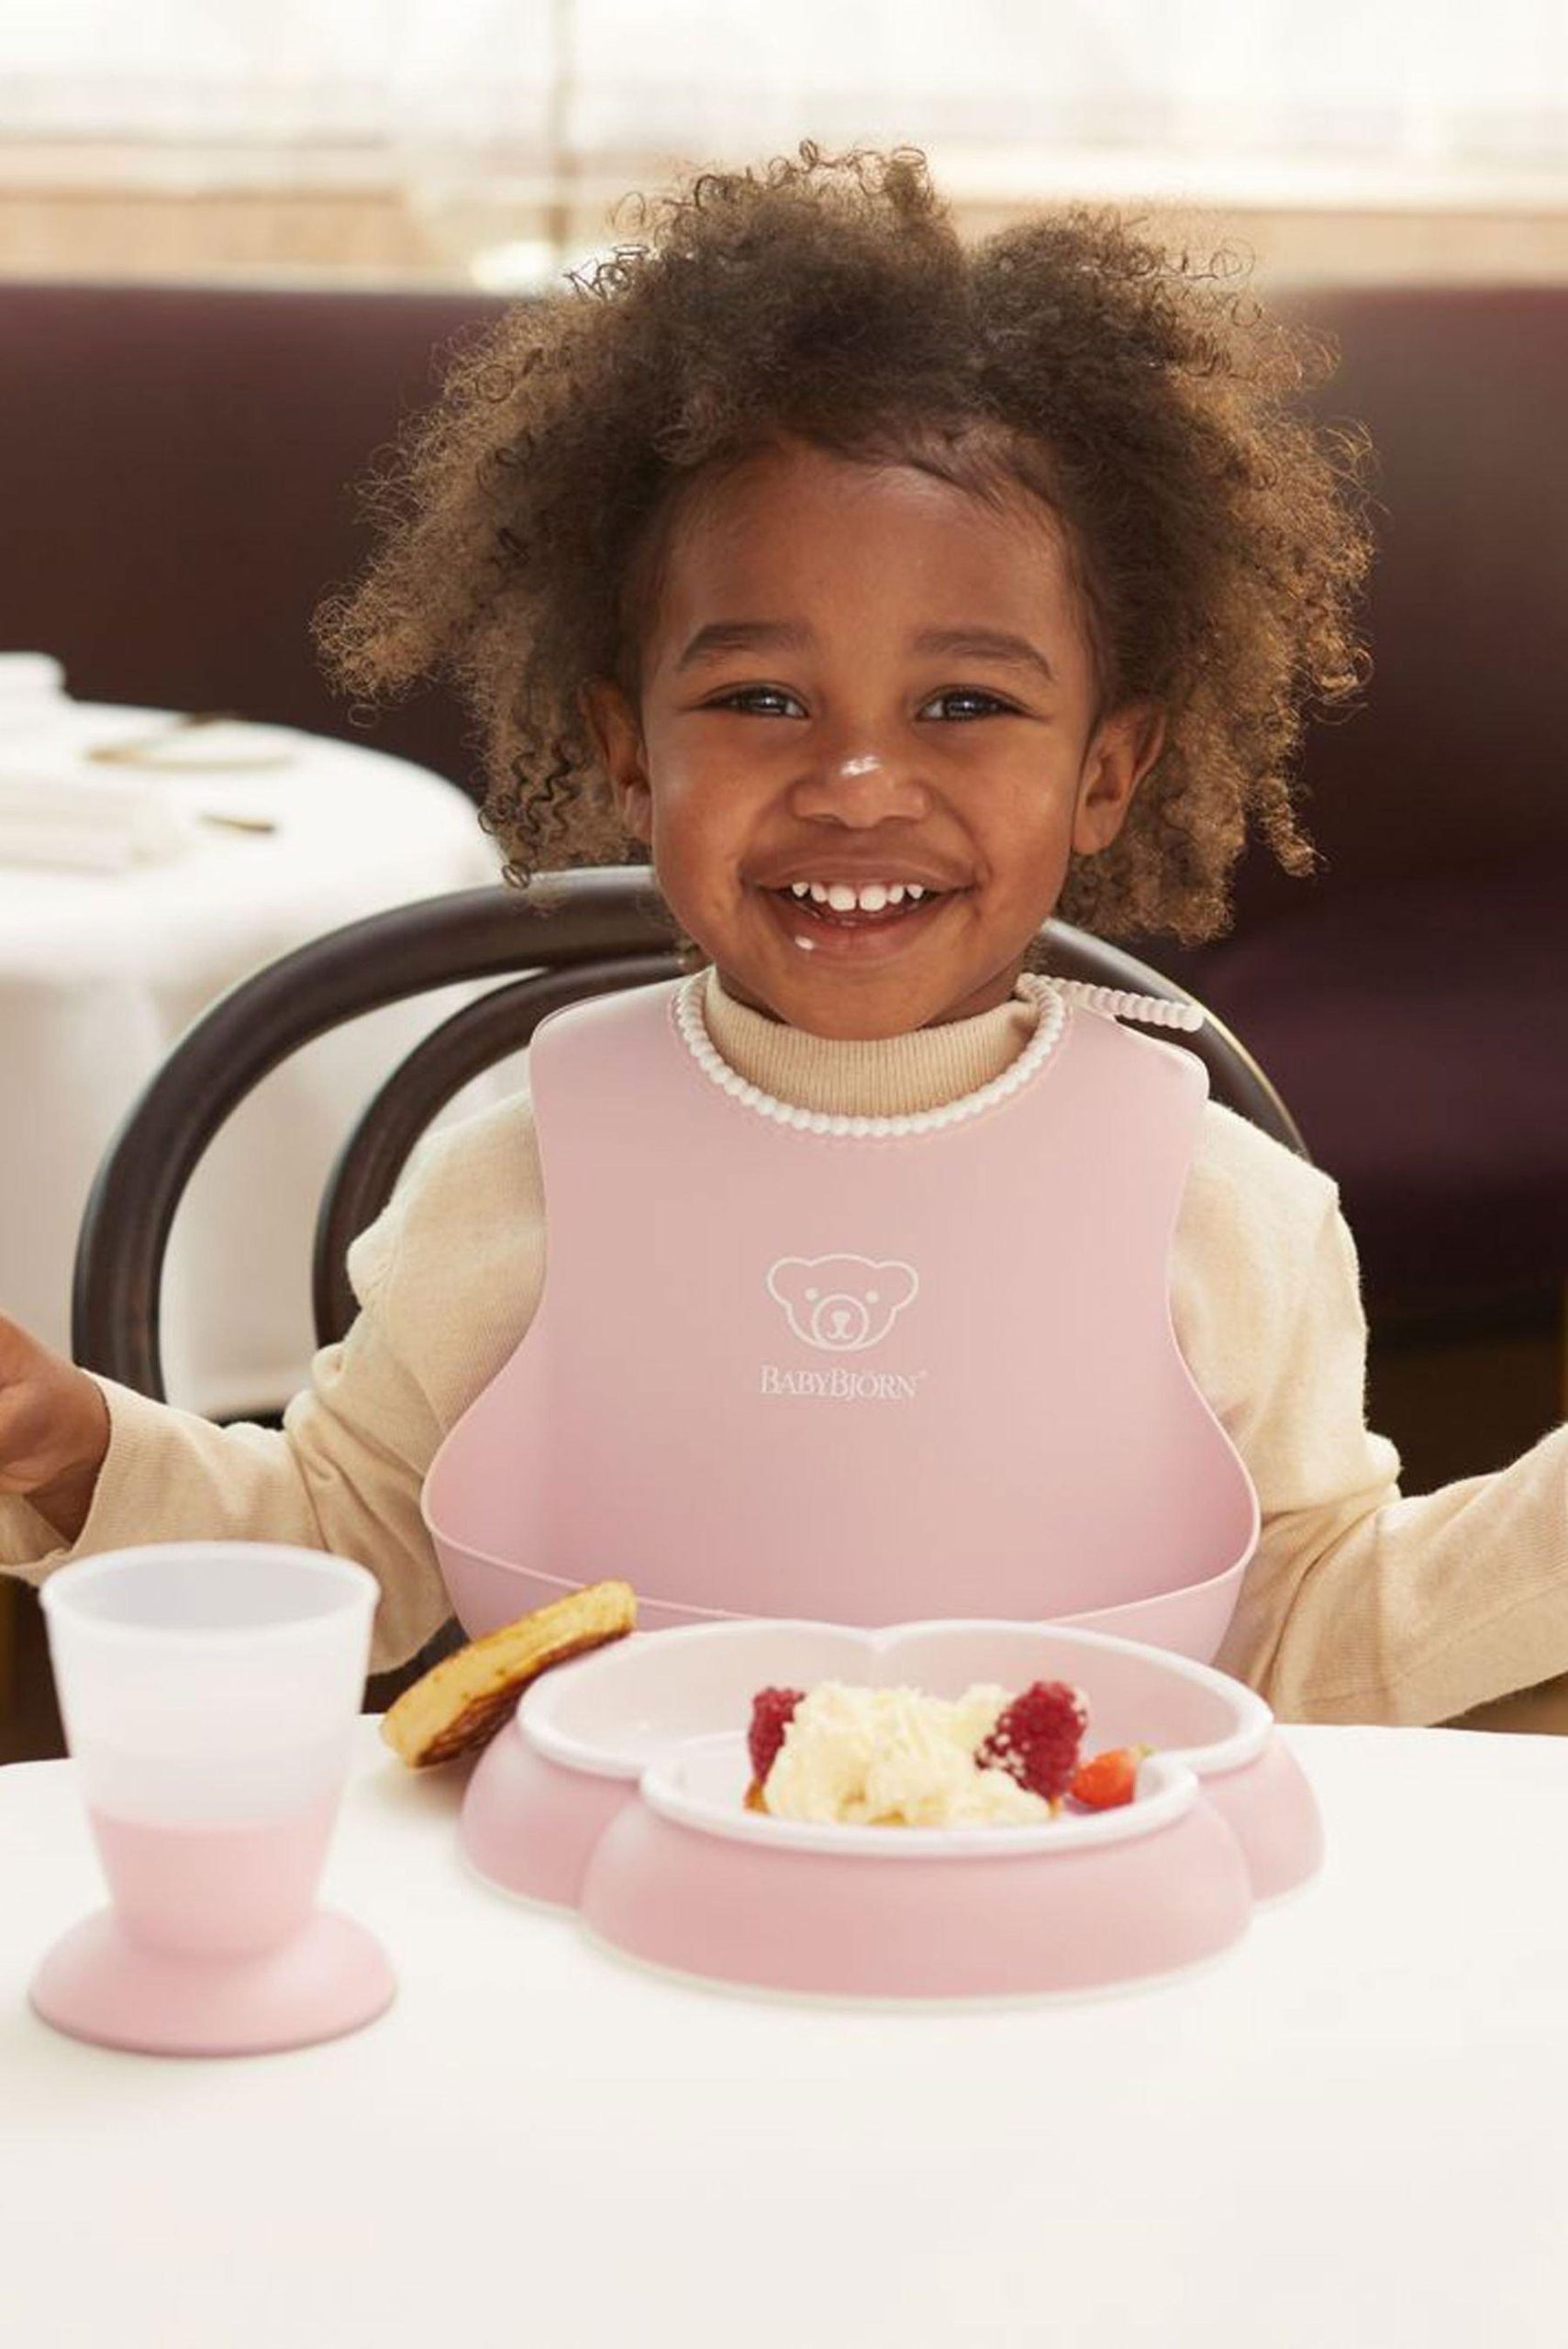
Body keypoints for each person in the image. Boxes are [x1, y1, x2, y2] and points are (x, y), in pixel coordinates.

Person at [1, 145, 1563, 1727]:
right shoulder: (516, 1173)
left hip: (1067, 1890)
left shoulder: (1221, 1210)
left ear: (1104, 772)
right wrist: (77, 1451)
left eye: (964, 704)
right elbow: (338, 1539)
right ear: (629, 752)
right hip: (581, 1880)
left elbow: (1304, 1637)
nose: (857, 782)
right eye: (760, 698)